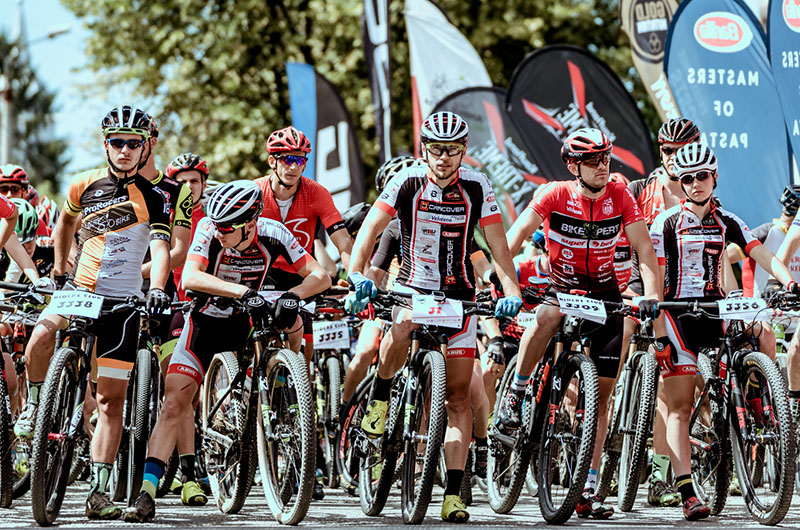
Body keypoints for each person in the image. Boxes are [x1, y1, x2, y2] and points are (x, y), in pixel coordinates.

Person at [346, 111, 523, 522]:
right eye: (437, 149)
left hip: (458, 296)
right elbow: (370, 230)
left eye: (452, 150)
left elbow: (498, 247)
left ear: (463, 151)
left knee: (458, 397)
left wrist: (511, 290)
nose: (444, 157)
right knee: (402, 323)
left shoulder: (477, 186)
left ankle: (454, 493)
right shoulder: (405, 181)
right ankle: (380, 396)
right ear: (424, 149)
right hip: (412, 287)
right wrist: (356, 275)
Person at [123, 180, 331, 523]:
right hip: (205, 322)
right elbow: (190, 278)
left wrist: (292, 295)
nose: (219, 232)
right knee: (173, 403)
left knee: (293, 320)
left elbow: (320, 276)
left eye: (227, 228)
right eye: (217, 225)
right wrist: (241, 292)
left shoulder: (274, 233)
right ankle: (146, 492)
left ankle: (283, 389)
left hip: (245, 323)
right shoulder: (208, 228)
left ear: (250, 224)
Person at [14, 105, 172, 520]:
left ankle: (99, 493)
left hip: (123, 302)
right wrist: (60, 271)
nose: (125, 150)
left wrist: (157, 288)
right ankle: (35, 406)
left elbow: (161, 249)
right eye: (117, 142)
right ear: (106, 144)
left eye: (134, 143)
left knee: (109, 401)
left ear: (145, 147)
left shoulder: (156, 197)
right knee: (40, 337)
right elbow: (65, 224)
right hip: (81, 290)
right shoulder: (83, 183)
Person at [499, 127, 664, 519]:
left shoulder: (620, 195)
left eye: (605, 157)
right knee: (547, 315)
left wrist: (651, 295)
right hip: (562, 286)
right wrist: (504, 283)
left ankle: (587, 486)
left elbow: (644, 249)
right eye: (592, 160)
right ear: (573, 166)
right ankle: (517, 392)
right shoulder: (554, 193)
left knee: (601, 399)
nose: (601, 166)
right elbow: (513, 237)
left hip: (605, 294)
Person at [650, 142, 798, 520]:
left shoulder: (727, 219)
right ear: (681, 183)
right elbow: (655, 279)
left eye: (702, 176)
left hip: (716, 310)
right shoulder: (665, 222)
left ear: (714, 177)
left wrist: (789, 281)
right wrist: (659, 332)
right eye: (687, 179)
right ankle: (687, 492)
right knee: (680, 406)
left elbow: (760, 253)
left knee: (762, 330)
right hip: (678, 314)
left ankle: (757, 397)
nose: (695, 184)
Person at [255, 126, 353, 360]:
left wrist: (355, 277)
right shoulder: (255, 191)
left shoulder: (317, 193)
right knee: (258, 342)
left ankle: (291, 377)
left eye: (300, 160)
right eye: (287, 159)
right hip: (262, 272)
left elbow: (343, 242)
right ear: (272, 161)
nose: (293, 167)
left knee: (305, 355)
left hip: (300, 275)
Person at [154, 152, 212, 502]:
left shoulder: (215, 212)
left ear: (204, 183)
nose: (189, 187)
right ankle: (186, 472)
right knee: (177, 389)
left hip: (207, 304)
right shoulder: (164, 210)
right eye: (182, 181)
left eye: (195, 181)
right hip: (171, 301)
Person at [0, 165, 50, 237]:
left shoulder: (38, 225)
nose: (9, 195)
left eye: (15, 189)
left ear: (25, 193)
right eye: (3, 190)